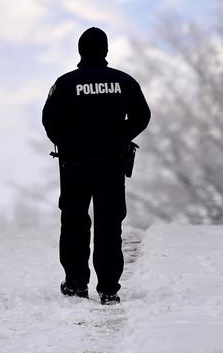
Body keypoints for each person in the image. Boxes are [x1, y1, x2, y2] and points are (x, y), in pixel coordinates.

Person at [41, 26, 150, 305]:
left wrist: (67, 142)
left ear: (80, 50)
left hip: (74, 164)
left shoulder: (66, 83)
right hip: (112, 163)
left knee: (74, 222)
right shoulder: (123, 81)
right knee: (109, 224)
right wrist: (120, 136)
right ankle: (109, 288)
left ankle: (76, 284)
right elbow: (142, 115)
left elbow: (49, 120)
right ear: (105, 50)